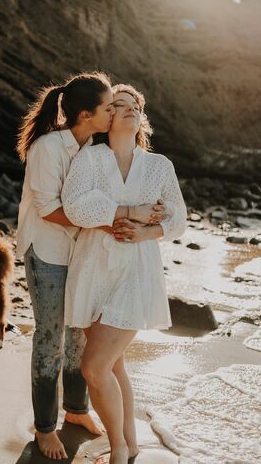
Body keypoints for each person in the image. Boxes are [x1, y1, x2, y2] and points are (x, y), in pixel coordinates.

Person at [16, 72, 166, 460]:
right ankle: (45, 428)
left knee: (81, 338)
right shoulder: (48, 148)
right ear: (87, 115)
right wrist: (117, 219)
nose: (112, 111)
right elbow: (50, 210)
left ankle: (77, 410)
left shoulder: (94, 146)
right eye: (107, 107)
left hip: (82, 255)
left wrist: (145, 223)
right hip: (48, 251)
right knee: (50, 340)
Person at [61, 84, 187, 464]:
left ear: (140, 117)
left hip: (136, 272)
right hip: (93, 269)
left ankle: (116, 450)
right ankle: (130, 443)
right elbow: (74, 208)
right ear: (107, 116)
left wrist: (148, 231)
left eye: (135, 105)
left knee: (94, 366)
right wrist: (130, 212)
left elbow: (178, 218)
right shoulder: (90, 157)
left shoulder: (159, 166)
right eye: (119, 105)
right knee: (113, 365)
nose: (129, 109)